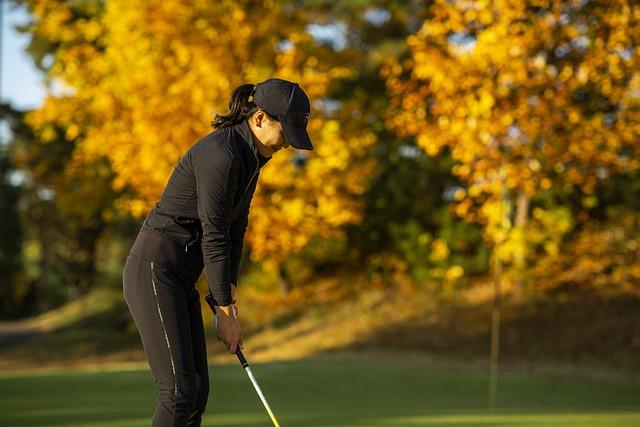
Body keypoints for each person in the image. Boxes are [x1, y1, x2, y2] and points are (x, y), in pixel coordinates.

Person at [122, 78, 313, 427]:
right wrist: (224, 311)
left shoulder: (252, 158)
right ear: (259, 119)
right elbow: (214, 235)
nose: (288, 143)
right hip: (154, 269)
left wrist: (229, 299)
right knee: (178, 391)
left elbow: (235, 230)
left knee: (196, 391)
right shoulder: (222, 154)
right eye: (285, 131)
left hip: (179, 279)